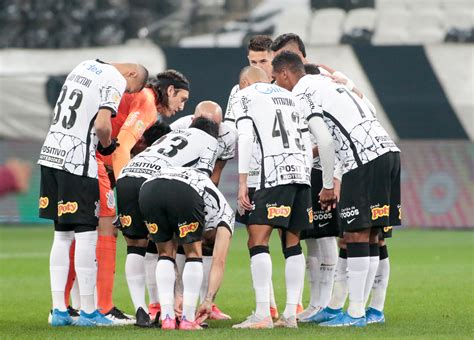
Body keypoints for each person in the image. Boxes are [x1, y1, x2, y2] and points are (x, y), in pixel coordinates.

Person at [272, 51, 401, 327]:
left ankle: (355, 313)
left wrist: (328, 185)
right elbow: (369, 111)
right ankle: (356, 310)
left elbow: (327, 142)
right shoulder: (331, 84)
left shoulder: (302, 91)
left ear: (285, 74)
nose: (276, 86)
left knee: (355, 234)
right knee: (370, 234)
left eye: (275, 79)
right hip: (388, 151)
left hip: (363, 159)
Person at [60, 69, 190, 325]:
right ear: (170, 91)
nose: (181, 107)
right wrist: (128, 195)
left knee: (79, 232)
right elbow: (120, 150)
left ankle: (66, 306)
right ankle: (104, 307)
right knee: (107, 229)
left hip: (72, 155)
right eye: (182, 99)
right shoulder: (147, 103)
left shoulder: (138, 98)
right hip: (91, 161)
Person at [38, 59, 148, 326]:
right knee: (86, 236)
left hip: (51, 155)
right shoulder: (115, 78)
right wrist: (108, 146)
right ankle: (89, 311)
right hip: (78, 163)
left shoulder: (83, 66)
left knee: (62, 236)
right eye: (131, 89)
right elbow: (101, 125)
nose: (126, 94)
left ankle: (60, 311)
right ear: (132, 73)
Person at [232, 66, 321, 329]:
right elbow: (306, 141)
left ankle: (262, 315)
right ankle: (291, 314)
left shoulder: (244, 95)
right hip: (300, 176)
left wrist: (242, 181)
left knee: (257, 239)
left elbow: (246, 136)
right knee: (292, 244)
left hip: (272, 175)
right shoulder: (290, 96)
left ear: (246, 81)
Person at [116, 115, 219, 327]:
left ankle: (142, 311)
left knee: (136, 247)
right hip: (156, 180)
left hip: (127, 175)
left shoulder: (173, 135)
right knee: (174, 247)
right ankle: (177, 312)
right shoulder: (210, 141)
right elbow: (202, 178)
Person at [223, 34, 283, 319]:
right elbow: (234, 132)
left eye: (263, 60)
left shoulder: (287, 85)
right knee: (257, 236)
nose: (259, 65)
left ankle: (308, 305)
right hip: (255, 173)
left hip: (287, 171)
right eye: (253, 61)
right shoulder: (239, 91)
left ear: (274, 58)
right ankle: (269, 306)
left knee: (301, 238)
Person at [139, 165, 234, 331]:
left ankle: (168, 318)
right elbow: (219, 261)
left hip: (149, 188)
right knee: (193, 253)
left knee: (165, 254)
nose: (204, 243)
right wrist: (208, 300)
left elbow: (172, 255)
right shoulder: (226, 217)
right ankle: (188, 320)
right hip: (185, 190)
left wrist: (178, 295)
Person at [170, 100, 236, 320]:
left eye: (216, 125)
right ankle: (171, 303)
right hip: (174, 186)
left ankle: (207, 302)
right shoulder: (179, 127)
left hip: (203, 186)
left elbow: (216, 173)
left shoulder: (228, 135)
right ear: (193, 120)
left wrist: (207, 200)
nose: (211, 129)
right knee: (180, 241)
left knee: (206, 238)